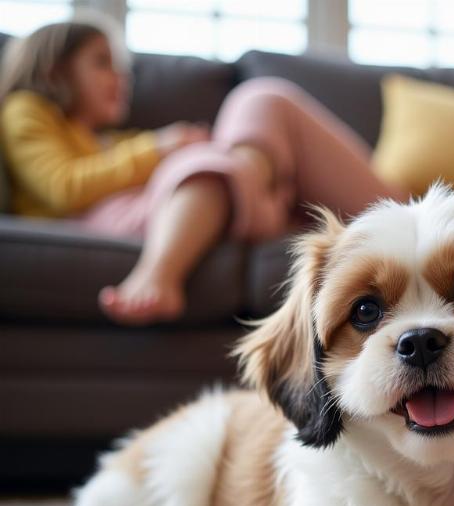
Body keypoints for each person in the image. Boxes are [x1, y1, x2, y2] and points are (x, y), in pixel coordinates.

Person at [0, 14, 409, 325]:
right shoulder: (27, 111)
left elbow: (123, 161)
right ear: (53, 70)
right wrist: (159, 148)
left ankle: (246, 175)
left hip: (218, 203)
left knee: (263, 99)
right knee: (206, 161)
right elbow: (62, 186)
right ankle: (158, 274)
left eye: (120, 67)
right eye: (102, 62)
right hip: (106, 214)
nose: (120, 77)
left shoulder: (103, 140)